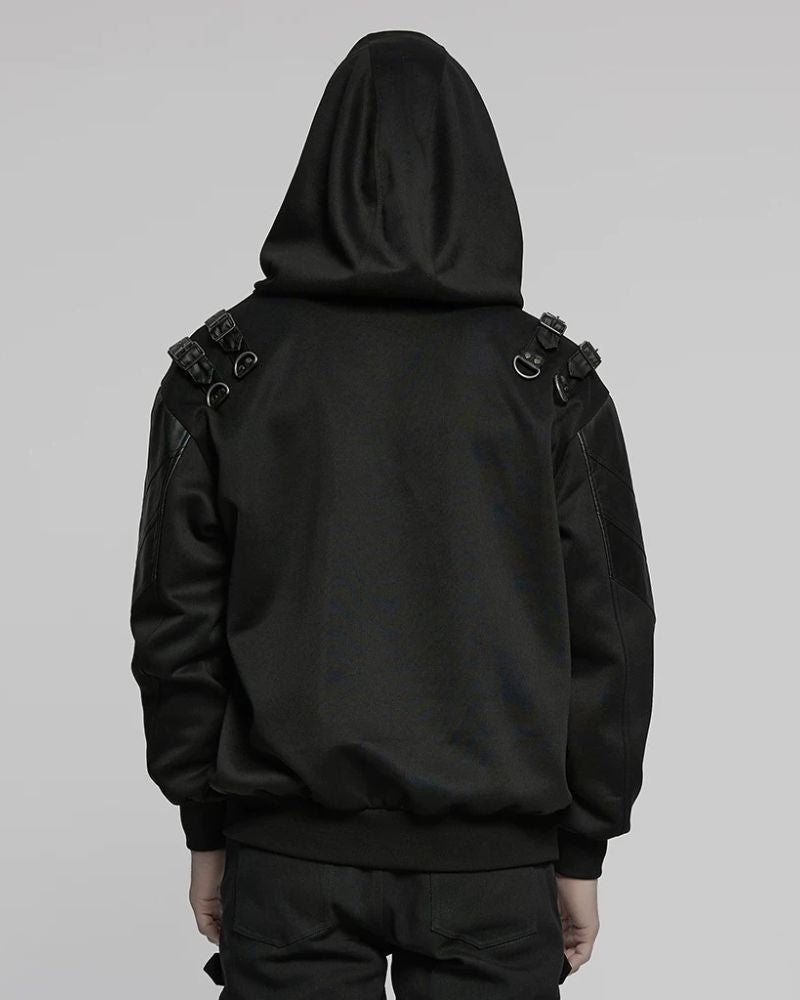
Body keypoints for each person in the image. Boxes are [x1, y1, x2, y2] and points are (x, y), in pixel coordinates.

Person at [129, 28, 656, 999]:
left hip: (285, 863)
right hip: (492, 873)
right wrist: (582, 845)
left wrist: (206, 827)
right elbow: (612, 634)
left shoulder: (224, 371)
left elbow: (174, 623)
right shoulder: (549, 385)